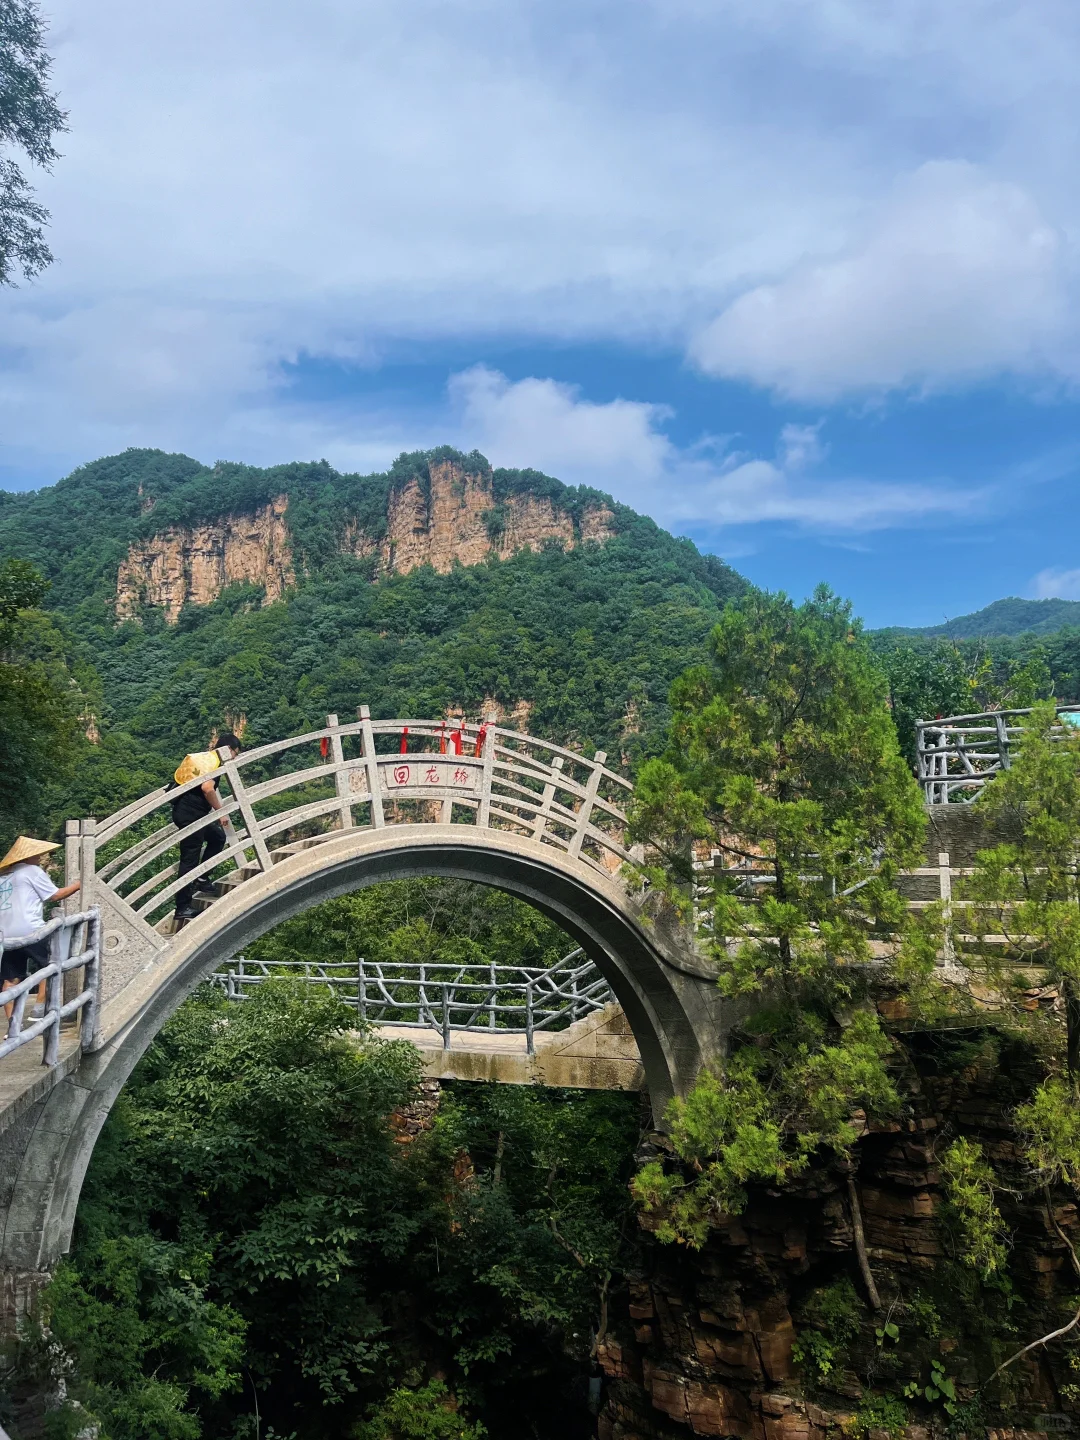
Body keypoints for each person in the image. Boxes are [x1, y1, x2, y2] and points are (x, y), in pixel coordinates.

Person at [0, 836, 81, 1020]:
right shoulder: (31, 871)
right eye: (37, 854)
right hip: (31, 930)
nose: (40, 857)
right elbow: (55, 895)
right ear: (28, 856)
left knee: (10, 980)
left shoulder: (4, 877)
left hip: (6, 935)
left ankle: (13, 1025)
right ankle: (38, 1009)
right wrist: (80, 884)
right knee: (53, 964)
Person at [170, 732, 243, 923]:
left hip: (187, 812)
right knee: (189, 860)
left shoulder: (206, 759)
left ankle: (202, 878)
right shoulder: (214, 764)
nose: (234, 758)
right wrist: (221, 812)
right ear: (228, 749)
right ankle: (182, 907)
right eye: (235, 753)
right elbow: (207, 788)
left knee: (217, 838)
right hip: (191, 816)